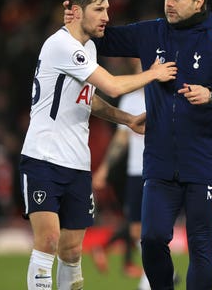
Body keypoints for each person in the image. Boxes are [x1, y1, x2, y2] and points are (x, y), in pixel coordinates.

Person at [64, 0, 212, 289]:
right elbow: (104, 38)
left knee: (201, 246)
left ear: (199, 2)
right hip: (160, 160)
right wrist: (77, 19)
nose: (168, 3)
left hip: (206, 161)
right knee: (151, 239)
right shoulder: (151, 33)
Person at [20, 0, 177, 290]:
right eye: (99, 9)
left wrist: (126, 118)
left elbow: (89, 99)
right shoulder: (61, 44)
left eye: (107, 9)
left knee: (72, 250)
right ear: (77, 12)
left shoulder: (87, 47)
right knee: (49, 240)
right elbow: (114, 85)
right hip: (43, 158)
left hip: (77, 163)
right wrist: (154, 73)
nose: (106, 16)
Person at [91, 59, 151, 289]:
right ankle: (155, 273)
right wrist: (105, 169)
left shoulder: (166, 97)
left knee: (156, 226)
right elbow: (121, 139)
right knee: (136, 229)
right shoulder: (130, 100)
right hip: (136, 171)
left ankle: (150, 277)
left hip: (162, 171)